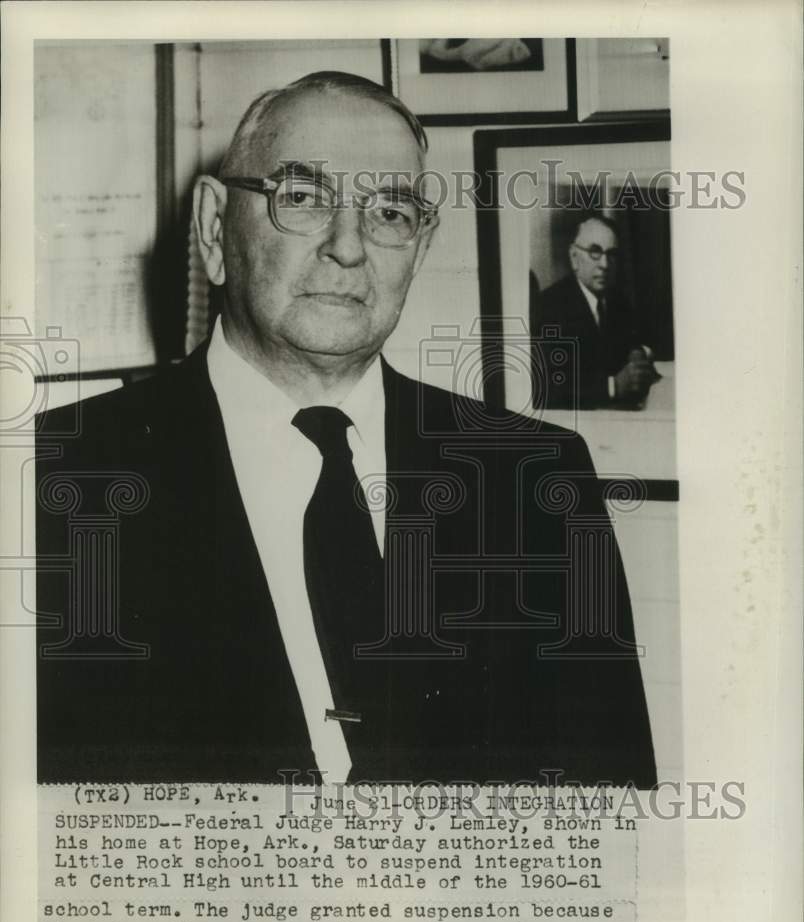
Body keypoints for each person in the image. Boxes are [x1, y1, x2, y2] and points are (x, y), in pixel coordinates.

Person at [36, 72, 656, 787]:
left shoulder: (537, 476)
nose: (348, 246)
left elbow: (612, 832)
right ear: (214, 228)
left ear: (421, 248)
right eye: (301, 198)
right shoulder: (59, 476)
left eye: (390, 211)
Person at [530, 215, 661, 410]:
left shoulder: (618, 302)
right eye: (595, 252)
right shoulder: (549, 307)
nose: (605, 265)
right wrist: (612, 386)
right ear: (574, 258)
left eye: (612, 254)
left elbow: (638, 339)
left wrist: (638, 353)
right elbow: (546, 387)